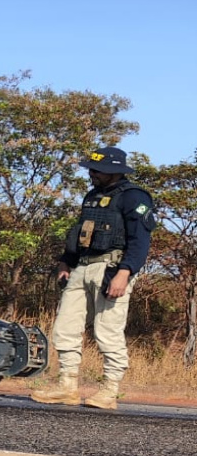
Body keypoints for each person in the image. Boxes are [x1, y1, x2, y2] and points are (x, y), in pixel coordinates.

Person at [31, 146, 156, 410]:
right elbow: (81, 233)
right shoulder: (92, 196)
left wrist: (125, 273)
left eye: (97, 169)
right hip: (82, 268)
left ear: (113, 171)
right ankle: (67, 386)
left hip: (111, 268)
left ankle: (109, 391)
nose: (92, 173)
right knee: (64, 327)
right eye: (91, 168)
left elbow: (140, 241)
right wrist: (67, 261)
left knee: (107, 330)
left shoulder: (133, 197)